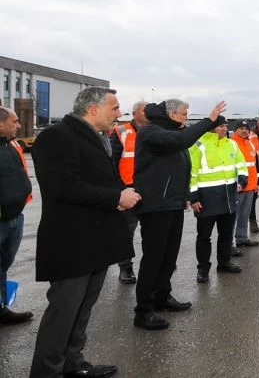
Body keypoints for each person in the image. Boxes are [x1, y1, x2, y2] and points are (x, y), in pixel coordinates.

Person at [30, 87, 140, 378]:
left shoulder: (97, 137)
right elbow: (62, 187)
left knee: (81, 312)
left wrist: (118, 193)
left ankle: (73, 365)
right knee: (63, 315)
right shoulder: (57, 136)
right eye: (114, 108)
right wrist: (116, 198)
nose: (119, 113)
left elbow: (94, 180)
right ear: (93, 109)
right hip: (71, 242)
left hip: (96, 240)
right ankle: (46, 372)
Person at [132, 99, 225, 330]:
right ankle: (143, 311)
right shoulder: (151, 131)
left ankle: (162, 296)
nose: (186, 118)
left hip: (172, 203)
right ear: (171, 114)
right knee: (154, 258)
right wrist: (208, 120)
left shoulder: (170, 131)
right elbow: (181, 140)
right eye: (184, 114)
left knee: (169, 256)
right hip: (155, 205)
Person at [189, 116, 248, 283]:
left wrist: (242, 179)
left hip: (228, 197)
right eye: (221, 126)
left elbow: (241, 165)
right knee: (204, 236)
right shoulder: (199, 145)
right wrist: (193, 198)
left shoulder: (232, 144)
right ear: (212, 127)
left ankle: (224, 262)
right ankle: (203, 269)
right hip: (206, 199)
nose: (225, 129)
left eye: (226, 126)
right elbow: (191, 174)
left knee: (226, 234)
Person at [0, 106, 33, 325]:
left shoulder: (11, 145)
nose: (19, 125)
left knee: (3, 264)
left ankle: (2, 307)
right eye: (14, 121)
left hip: (15, 216)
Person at [109, 100, 148, 284]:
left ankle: (153, 262)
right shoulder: (120, 132)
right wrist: (119, 190)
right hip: (128, 189)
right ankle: (125, 268)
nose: (148, 113)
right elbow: (113, 162)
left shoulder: (154, 131)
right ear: (134, 114)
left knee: (152, 230)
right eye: (144, 110)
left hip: (149, 189)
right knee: (127, 231)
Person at [231, 121, 259, 247]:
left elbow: (255, 166)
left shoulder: (250, 144)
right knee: (232, 218)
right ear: (235, 130)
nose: (245, 131)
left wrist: (257, 183)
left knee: (244, 214)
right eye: (241, 128)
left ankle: (242, 238)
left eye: (247, 128)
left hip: (250, 187)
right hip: (236, 187)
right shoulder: (231, 144)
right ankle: (229, 243)